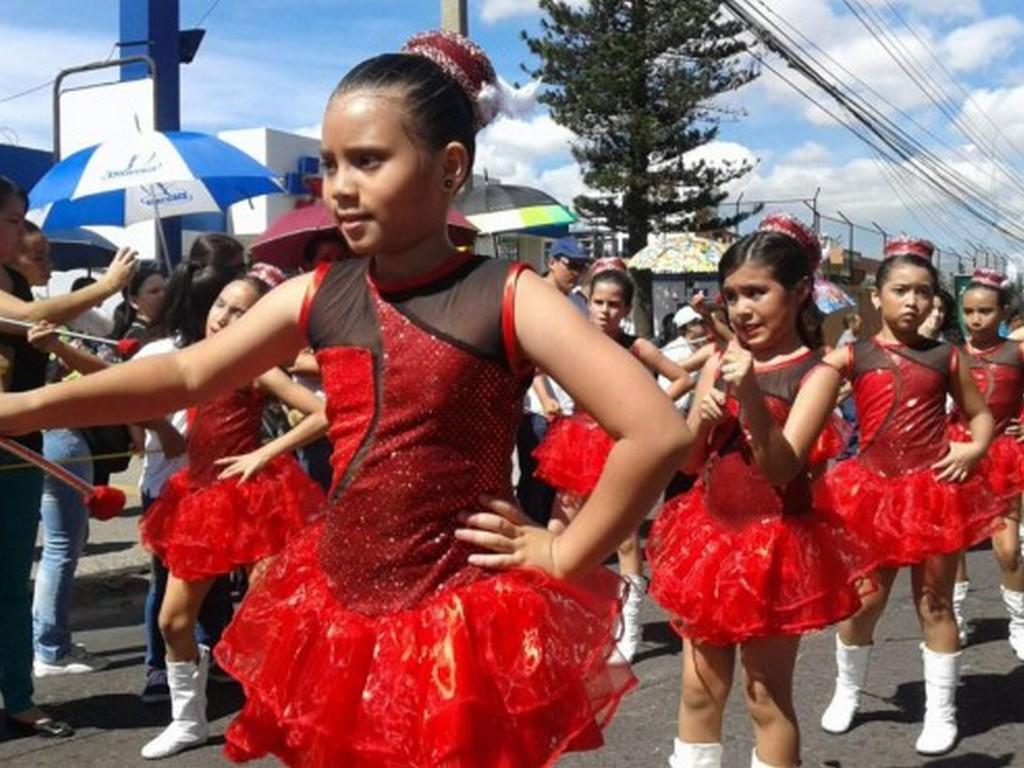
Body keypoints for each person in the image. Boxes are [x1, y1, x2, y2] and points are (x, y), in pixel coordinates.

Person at [0, 31, 690, 767]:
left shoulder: (506, 294)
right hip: (340, 610)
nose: (340, 187)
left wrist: (564, 551)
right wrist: (19, 410)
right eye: (330, 164)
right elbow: (190, 373)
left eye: (368, 160)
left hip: (457, 617)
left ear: (450, 167)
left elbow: (656, 432)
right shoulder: (321, 294)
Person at [646, 215, 872, 768]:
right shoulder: (719, 362)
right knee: (698, 691)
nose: (741, 309)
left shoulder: (814, 373)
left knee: (764, 696)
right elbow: (689, 462)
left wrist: (746, 394)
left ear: (798, 292)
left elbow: (783, 469)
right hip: (708, 540)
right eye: (731, 296)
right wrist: (702, 422)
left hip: (775, 549)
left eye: (756, 293)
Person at [818, 238, 1003, 756]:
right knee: (864, 601)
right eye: (900, 290)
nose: (912, 301)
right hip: (871, 494)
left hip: (933, 492)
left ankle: (941, 710)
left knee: (935, 603)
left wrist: (975, 448)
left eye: (923, 292)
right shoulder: (853, 354)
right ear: (876, 296)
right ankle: (847, 689)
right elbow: (808, 401)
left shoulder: (946, 356)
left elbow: (981, 415)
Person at [137, 268, 327, 759]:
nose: (223, 317)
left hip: (255, 498)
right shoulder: (194, 360)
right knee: (173, 622)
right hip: (199, 500)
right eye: (221, 304)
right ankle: (188, 720)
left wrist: (265, 453)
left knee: (268, 617)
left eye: (239, 311)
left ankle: (286, 715)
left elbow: (324, 413)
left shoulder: (254, 367)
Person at [0, 176, 135, 740]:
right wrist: (107, 286)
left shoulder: (13, 281)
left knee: (11, 582)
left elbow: (33, 321)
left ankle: (18, 697)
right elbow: (31, 315)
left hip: (19, 451)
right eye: (13, 221)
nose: (22, 233)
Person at [533, 258, 694, 663]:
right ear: (586, 301)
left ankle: (629, 625)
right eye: (598, 302)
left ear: (625, 309)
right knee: (557, 529)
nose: (605, 311)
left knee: (623, 536)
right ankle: (556, 620)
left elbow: (682, 377)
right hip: (575, 440)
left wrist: (649, 408)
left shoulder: (636, 347)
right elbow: (535, 367)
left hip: (620, 444)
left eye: (614, 304)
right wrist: (547, 398)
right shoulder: (572, 338)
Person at [948, 268, 1024, 658]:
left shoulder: (1017, 352)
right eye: (969, 311)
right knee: (955, 543)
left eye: (985, 311)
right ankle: (956, 618)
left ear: (1003, 311)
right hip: (957, 455)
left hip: (1003, 456)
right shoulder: (950, 355)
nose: (975, 319)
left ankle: (1020, 622)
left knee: (1007, 548)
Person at [515, 236, 592, 525]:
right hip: (539, 411)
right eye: (572, 265)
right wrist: (545, 397)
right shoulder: (532, 297)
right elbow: (530, 356)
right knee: (536, 485)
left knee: (562, 488)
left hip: (570, 409)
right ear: (552, 262)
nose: (576, 273)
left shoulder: (579, 303)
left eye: (582, 267)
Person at [110, 261, 167, 343]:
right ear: (134, 301)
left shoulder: (168, 327)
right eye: (154, 291)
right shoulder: (136, 337)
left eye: (165, 289)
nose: (163, 295)